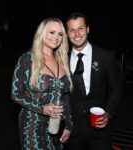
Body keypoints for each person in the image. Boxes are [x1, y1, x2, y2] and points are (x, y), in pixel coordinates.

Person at [11, 17, 73, 150]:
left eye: (60, 34)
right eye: (52, 32)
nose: (56, 37)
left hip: (57, 126)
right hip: (32, 125)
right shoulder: (27, 59)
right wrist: (42, 108)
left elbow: (66, 98)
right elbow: (16, 94)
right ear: (42, 33)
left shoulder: (62, 61)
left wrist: (68, 125)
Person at [65, 12, 122, 150]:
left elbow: (116, 88)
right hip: (73, 130)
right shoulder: (62, 59)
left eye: (80, 28)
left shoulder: (105, 56)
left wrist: (108, 113)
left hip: (100, 129)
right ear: (66, 33)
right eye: (72, 30)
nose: (77, 34)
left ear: (88, 29)